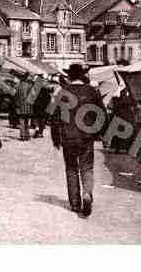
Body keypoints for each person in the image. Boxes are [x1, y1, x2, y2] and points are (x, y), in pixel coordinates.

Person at [50, 64, 105, 217]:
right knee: (87, 168)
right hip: (86, 137)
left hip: (68, 137)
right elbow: (102, 114)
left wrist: (56, 137)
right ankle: (87, 193)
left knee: (71, 168)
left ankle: (75, 203)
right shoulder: (92, 91)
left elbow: (55, 117)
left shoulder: (63, 92)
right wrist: (98, 132)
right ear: (82, 75)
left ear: (70, 76)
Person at [15, 72, 34, 141]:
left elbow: (16, 96)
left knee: (22, 120)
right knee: (26, 121)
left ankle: (22, 135)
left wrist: (17, 104)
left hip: (20, 105)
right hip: (28, 106)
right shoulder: (30, 85)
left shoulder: (19, 85)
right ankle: (27, 135)